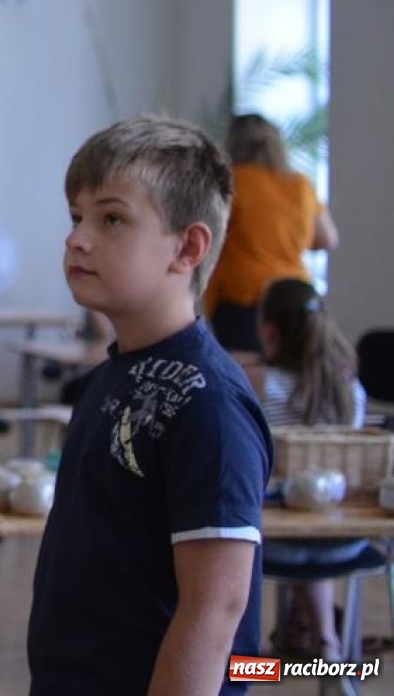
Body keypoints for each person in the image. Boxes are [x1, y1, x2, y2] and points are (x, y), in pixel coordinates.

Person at [28, 115, 273, 695]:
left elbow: (214, 614)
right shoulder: (107, 378)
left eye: (111, 218)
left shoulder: (209, 405)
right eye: (76, 217)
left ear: (187, 247)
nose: (77, 239)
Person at [243, 277, 367, 661]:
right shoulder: (350, 389)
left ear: (269, 330)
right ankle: (328, 646)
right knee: (313, 519)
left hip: (273, 542)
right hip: (347, 541)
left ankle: (249, 666)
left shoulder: (258, 383)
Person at [204, 113, 338, 355]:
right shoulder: (300, 186)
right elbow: (328, 238)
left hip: (243, 302)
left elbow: (207, 233)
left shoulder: (230, 183)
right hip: (297, 299)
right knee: (294, 381)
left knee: (249, 382)